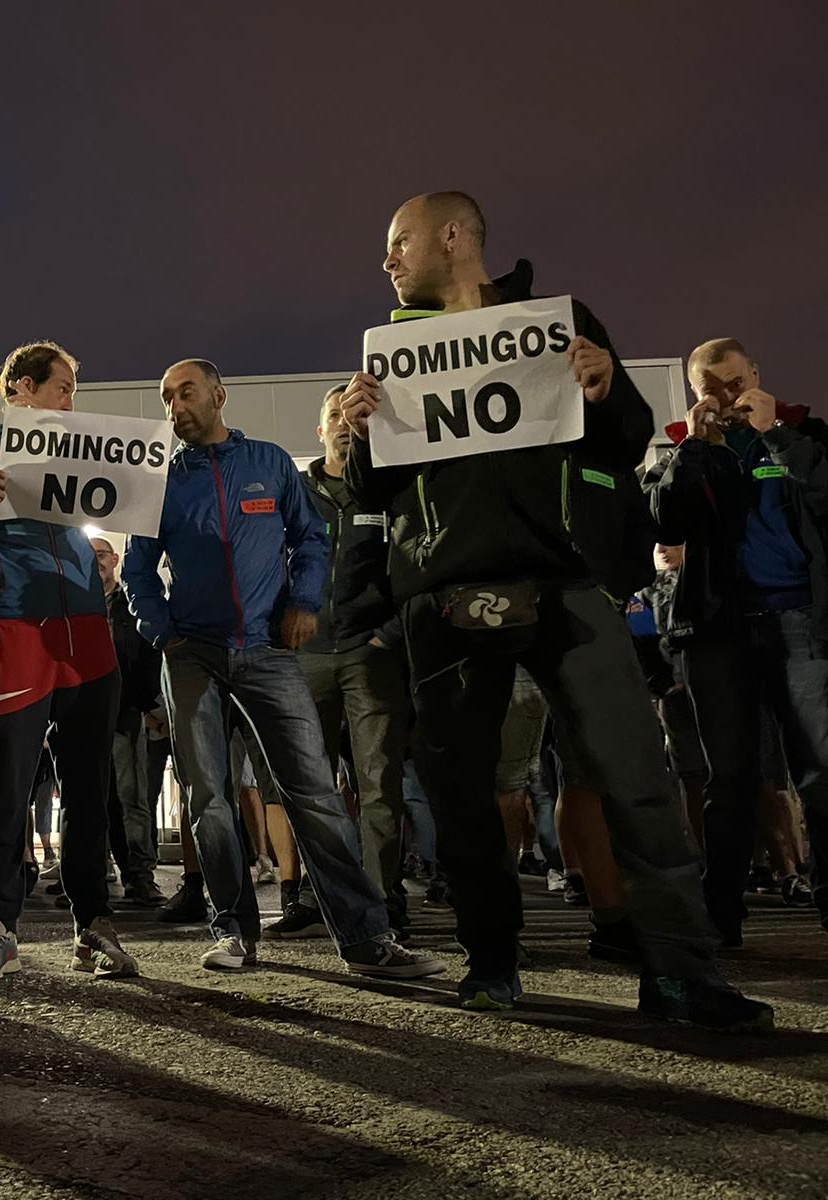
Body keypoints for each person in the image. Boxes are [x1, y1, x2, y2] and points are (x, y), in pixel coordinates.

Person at [339, 191, 771, 1029]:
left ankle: (680, 970)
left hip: (570, 587)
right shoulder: (390, 357)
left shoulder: (562, 320)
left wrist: (606, 391)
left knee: (637, 778)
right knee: (464, 795)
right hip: (446, 598)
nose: (386, 261)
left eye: (399, 242)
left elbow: (624, 437)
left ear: (455, 237)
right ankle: (492, 961)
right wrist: (360, 438)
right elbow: (372, 492)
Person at [124, 358, 443, 979]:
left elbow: (311, 538)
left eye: (185, 393)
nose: (174, 407)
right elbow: (138, 568)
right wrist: (163, 634)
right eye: (166, 397)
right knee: (210, 799)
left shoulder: (269, 463)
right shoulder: (158, 479)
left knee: (316, 796)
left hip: (269, 654)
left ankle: (366, 939)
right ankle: (233, 931)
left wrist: (302, 602)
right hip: (193, 657)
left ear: (219, 395)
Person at [0, 341, 136, 981]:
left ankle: (94, 924)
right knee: (9, 787)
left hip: (87, 632)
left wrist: (107, 567)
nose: (71, 401)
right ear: (22, 388)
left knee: (89, 790)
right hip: (16, 631)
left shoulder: (85, 449)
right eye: (63, 388)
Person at [645, 336, 828, 943]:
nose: (725, 398)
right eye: (709, 389)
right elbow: (663, 517)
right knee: (729, 778)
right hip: (719, 631)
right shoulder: (683, 448)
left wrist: (778, 435)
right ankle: (721, 914)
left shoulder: (805, 433)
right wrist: (697, 447)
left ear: (755, 371)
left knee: (817, 770)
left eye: (732, 382)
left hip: (798, 618)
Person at [273, 385, 414, 939]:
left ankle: (384, 902)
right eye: (331, 416)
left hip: (369, 656)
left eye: (347, 416)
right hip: (304, 657)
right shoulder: (295, 493)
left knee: (380, 783)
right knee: (310, 785)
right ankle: (317, 896)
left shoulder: (386, 490)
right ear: (318, 429)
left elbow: (412, 564)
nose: (340, 424)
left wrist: (389, 635)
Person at [92, 536, 166, 907]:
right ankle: (93, 876)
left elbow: (150, 657)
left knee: (132, 797)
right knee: (90, 798)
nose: (96, 561)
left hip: (125, 714)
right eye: (89, 556)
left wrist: (146, 705)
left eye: (101, 554)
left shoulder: (132, 606)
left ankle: (140, 876)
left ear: (116, 559)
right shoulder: (72, 606)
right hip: (84, 716)